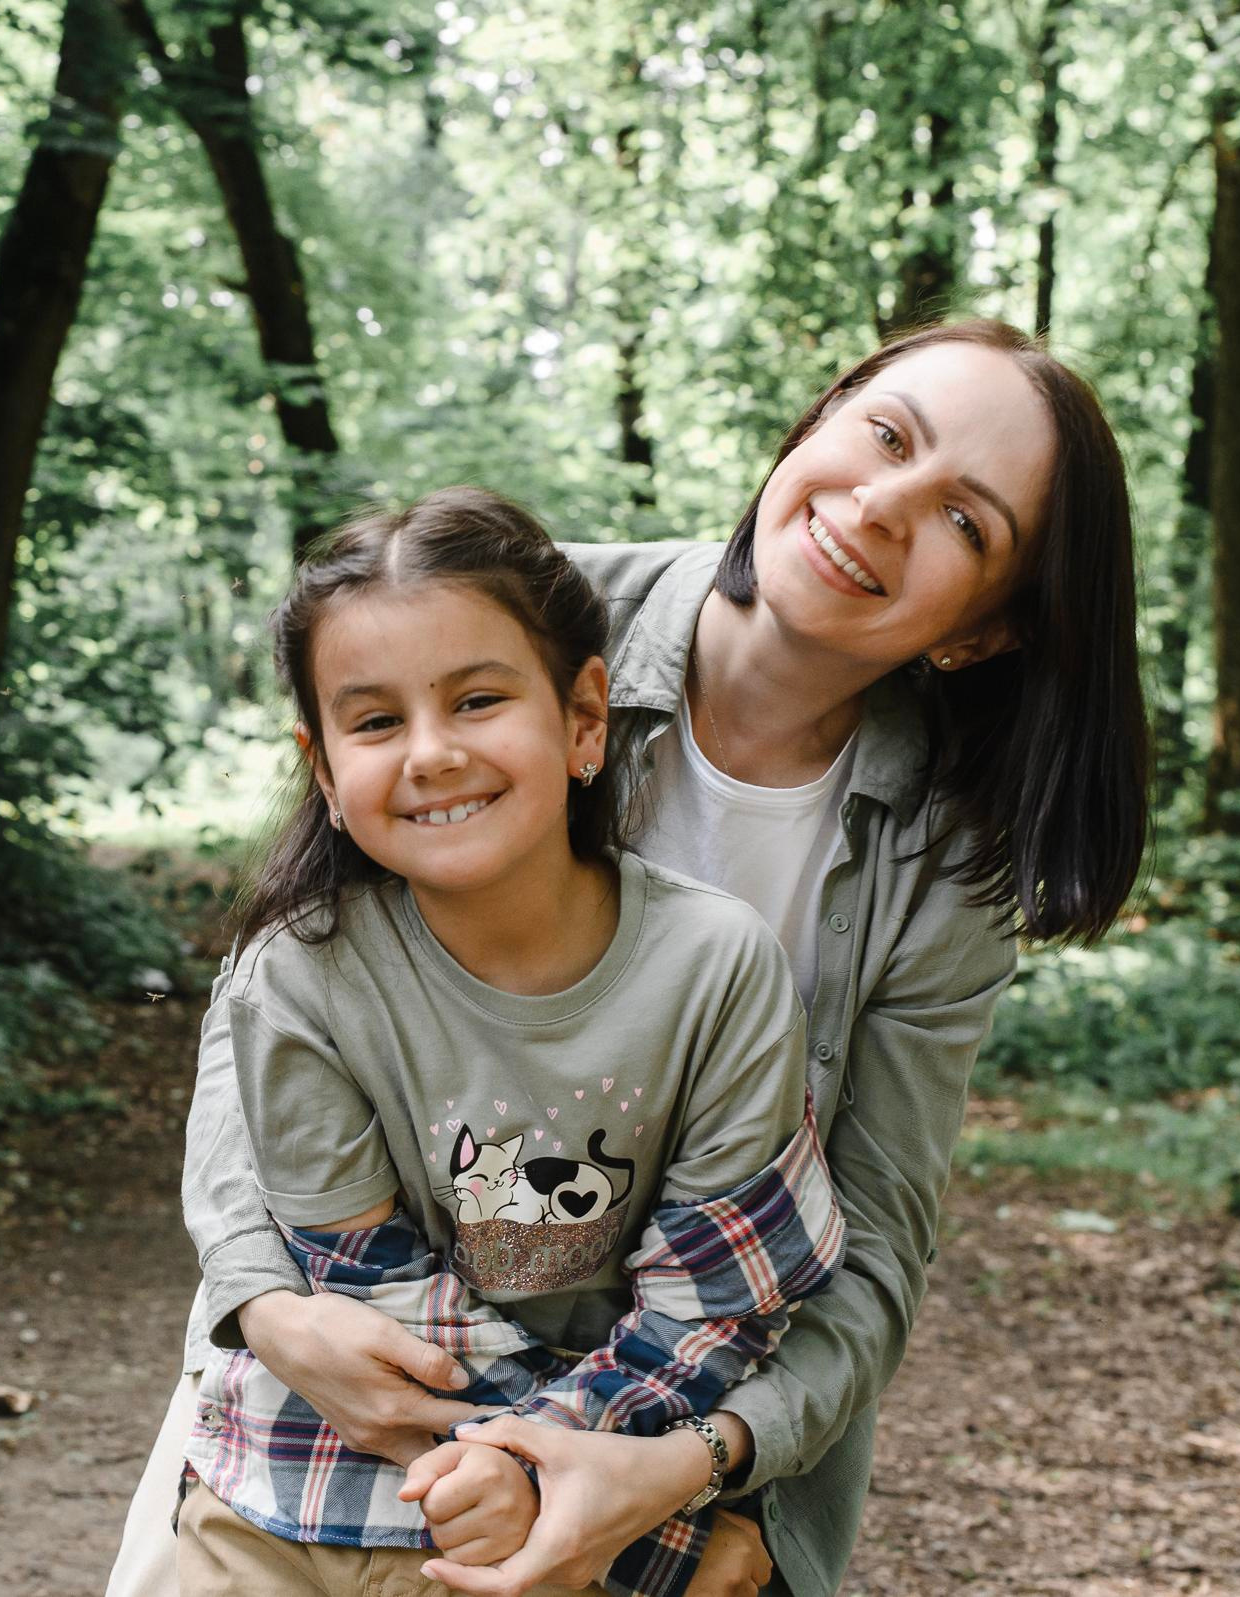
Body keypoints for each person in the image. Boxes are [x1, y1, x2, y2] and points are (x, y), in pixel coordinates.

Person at [108, 319, 1150, 1597]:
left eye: (965, 522)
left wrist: (706, 1473)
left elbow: (872, 1238)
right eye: (885, 435)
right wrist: (266, 1303)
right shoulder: (502, 624)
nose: (881, 507)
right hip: (348, 1361)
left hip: (682, 1406)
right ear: (818, 424)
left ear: (983, 633)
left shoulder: (946, 856)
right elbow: (275, 994)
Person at [175, 489, 847, 1597]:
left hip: (599, 1461)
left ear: (586, 717)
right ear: (326, 771)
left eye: (478, 699)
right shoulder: (298, 976)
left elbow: (713, 1301)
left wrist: (555, 1483)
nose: (432, 753)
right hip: (308, 1475)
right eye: (377, 721)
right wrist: (634, 1533)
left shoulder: (717, 967)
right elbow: (362, 1300)